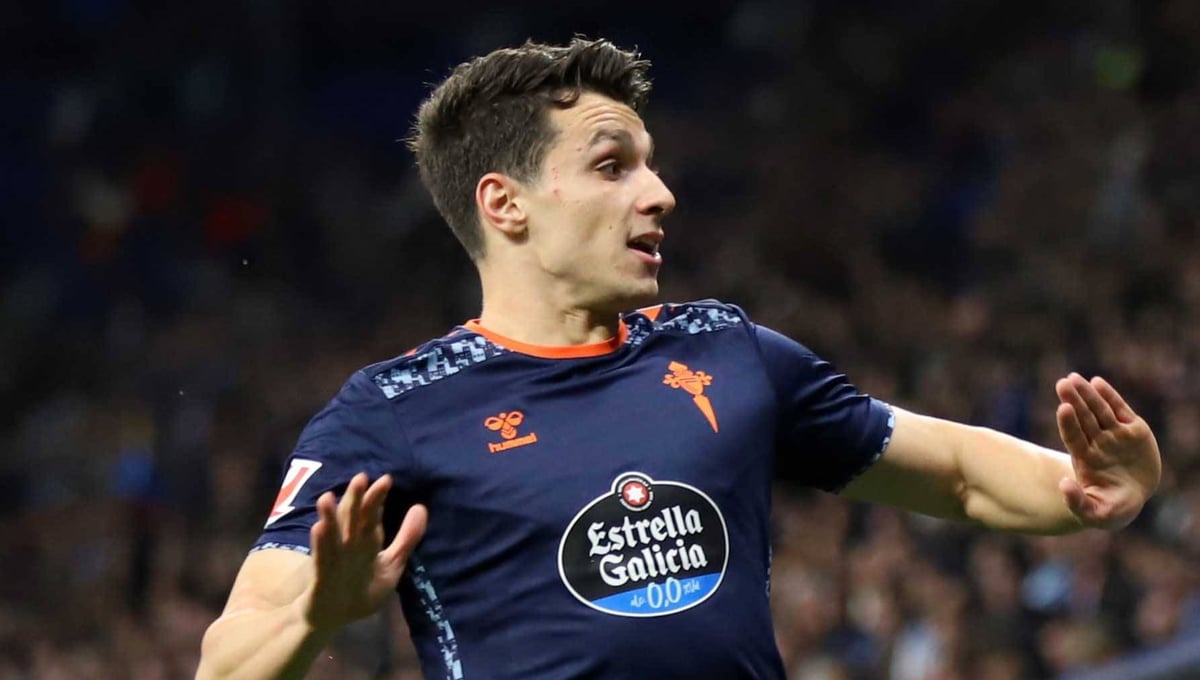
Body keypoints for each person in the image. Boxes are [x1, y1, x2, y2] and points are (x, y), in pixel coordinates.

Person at [195, 38, 1162, 679]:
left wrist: (1079, 487)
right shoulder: (395, 408)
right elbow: (225, 661)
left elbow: (949, 473)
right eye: (612, 165)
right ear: (505, 204)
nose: (658, 194)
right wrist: (317, 616)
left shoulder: (725, 352)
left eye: (650, 163)